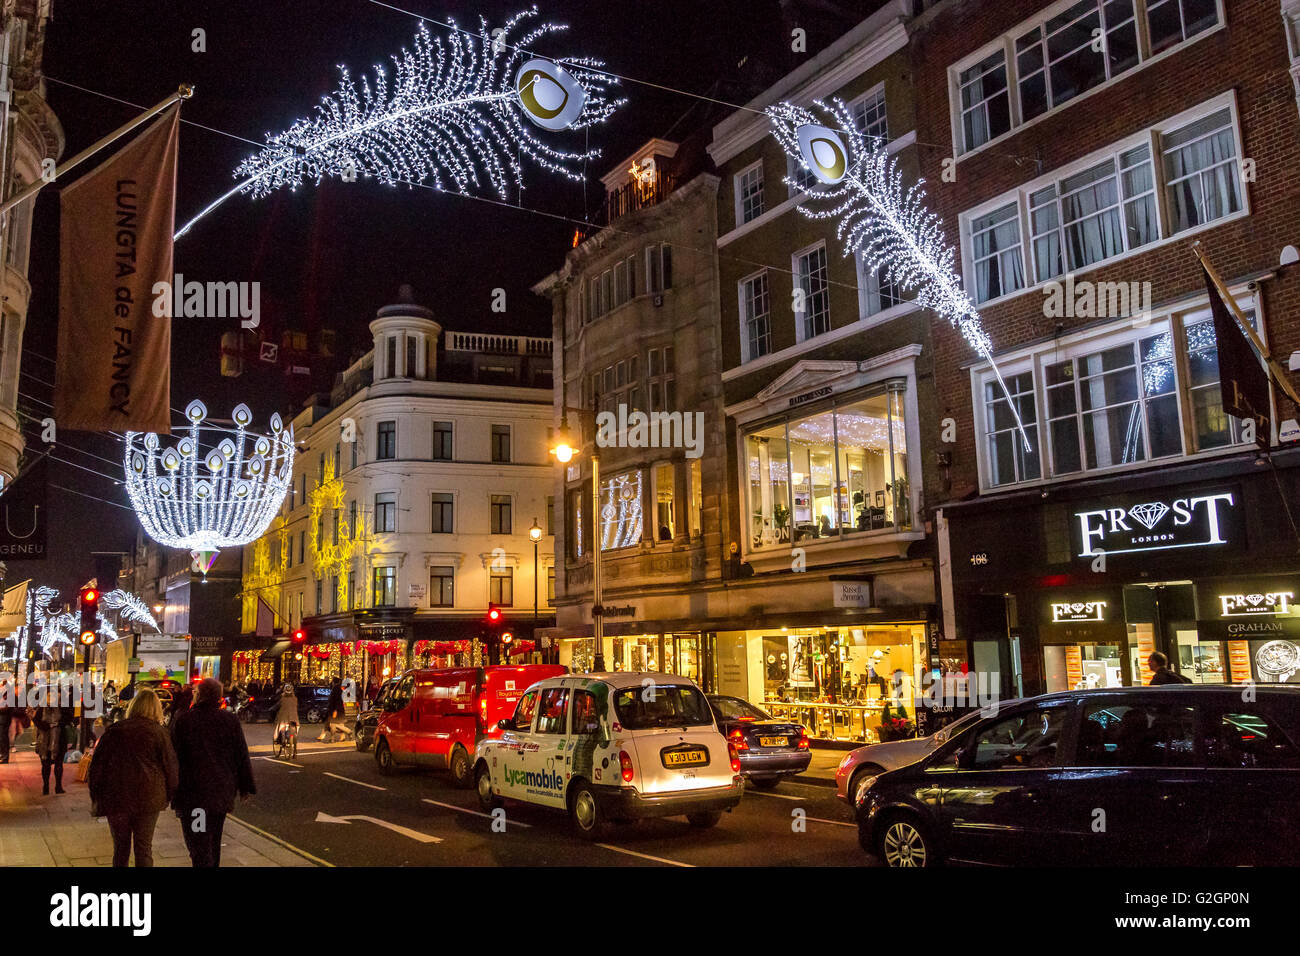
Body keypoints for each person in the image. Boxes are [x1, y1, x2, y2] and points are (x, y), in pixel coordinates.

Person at [87, 689, 178, 868]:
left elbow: (97, 767)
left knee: (120, 849)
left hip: (117, 796)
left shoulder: (115, 731)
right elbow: (171, 767)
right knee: (144, 849)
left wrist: (96, 795)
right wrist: (169, 794)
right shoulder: (159, 733)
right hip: (149, 797)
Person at [170, 678, 255, 867]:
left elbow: (174, 756)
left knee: (198, 843)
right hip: (221, 793)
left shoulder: (185, 720)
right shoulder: (229, 720)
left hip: (195, 797)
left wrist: (170, 788)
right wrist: (245, 787)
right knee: (213, 842)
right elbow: (241, 754)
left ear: (199, 695)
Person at [30, 701, 75, 795]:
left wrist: (57, 724)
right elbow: (36, 720)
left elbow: (69, 718)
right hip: (44, 741)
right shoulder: (41, 708)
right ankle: (45, 786)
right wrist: (47, 725)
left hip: (59, 740)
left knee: (59, 764)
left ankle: (58, 786)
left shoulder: (63, 707)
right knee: (45, 765)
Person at [320, 677, 353, 742]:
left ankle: (348, 732)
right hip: (340, 709)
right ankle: (335, 738)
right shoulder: (342, 689)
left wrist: (335, 710)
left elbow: (335, 700)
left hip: (336, 709)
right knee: (337, 724)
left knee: (333, 724)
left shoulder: (336, 688)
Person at [0, 676, 16, 764]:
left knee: (3, 737)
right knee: (2, 737)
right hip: (3, 717)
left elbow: (7, 707)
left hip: (4, 717)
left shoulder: (8, 693)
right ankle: (3, 755)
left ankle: (4, 756)